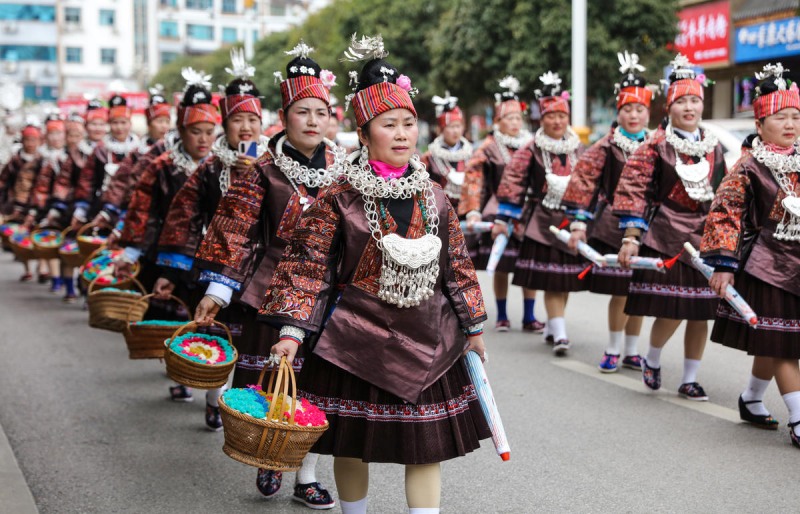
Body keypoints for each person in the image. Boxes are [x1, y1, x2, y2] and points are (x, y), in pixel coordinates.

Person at [260, 34, 490, 514]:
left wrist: (473, 326)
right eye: (389, 124)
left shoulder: (436, 195)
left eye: (409, 123)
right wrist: (290, 331)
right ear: (364, 135)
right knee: (351, 443)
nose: (403, 133)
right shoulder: (337, 198)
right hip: (353, 338)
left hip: (427, 335)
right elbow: (308, 266)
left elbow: (457, 265)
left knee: (426, 446)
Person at [192, 44, 342, 509]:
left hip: (329, 297)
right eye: (303, 112)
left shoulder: (345, 171)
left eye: (321, 112)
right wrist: (219, 291)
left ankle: (307, 478)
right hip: (269, 296)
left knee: (316, 389)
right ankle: (271, 457)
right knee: (276, 383)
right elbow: (236, 232)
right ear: (284, 115)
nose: (313, 121)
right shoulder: (263, 171)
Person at [155, 49, 271, 432]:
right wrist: (174, 267)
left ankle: (257, 420)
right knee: (219, 334)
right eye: (238, 119)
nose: (246, 128)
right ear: (226, 123)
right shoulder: (212, 166)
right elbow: (184, 214)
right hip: (219, 264)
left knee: (260, 348)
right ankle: (212, 396)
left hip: (266, 271)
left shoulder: (276, 163)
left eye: (253, 119)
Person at [612, 54, 726, 401]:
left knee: (701, 314)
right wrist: (631, 237)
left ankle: (690, 378)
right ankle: (653, 358)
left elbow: (723, 195)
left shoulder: (714, 146)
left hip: (705, 238)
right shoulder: (655, 144)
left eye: (694, 100)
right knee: (674, 309)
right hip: (666, 237)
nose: (689, 107)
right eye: (682, 101)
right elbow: (635, 191)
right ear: (670, 105)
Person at [700, 63, 800, 442]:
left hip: (798, 263)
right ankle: (798, 417)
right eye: (779, 117)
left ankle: (751, 398)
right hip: (765, 265)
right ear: (759, 125)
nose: (789, 124)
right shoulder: (748, 166)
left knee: (779, 337)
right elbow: (725, 214)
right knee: (784, 343)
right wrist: (723, 265)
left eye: (795, 116)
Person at [561, 52, 651, 372]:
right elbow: (584, 183)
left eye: (640, 109)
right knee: (622, 291)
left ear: (648, 111)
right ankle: (614, 348)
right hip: (616, 226)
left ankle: (632, 350)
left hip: (651, 227)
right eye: (628, 109)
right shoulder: (605, 146)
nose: (634, 115)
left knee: (640, 291)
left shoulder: (657, 145)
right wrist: (578, 223)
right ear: (619, 111)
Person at [494, 71, 586, 355]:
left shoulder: (578, 149)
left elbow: (586, 184)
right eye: (551, 116)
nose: (557, 121)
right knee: (551, 279)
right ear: (541, 118)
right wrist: (504, 218)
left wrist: (583, 218)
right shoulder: (530, 149)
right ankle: (559, 332)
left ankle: (552, 325)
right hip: (541, 221)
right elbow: (513, 182)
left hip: (570, 220)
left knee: (564, 279)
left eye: (562, 115)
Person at [460, 77, 543, 332]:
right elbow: (473, 178)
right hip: (499, 211)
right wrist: (473, 209)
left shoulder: (533, 145)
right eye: (509, 119)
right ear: (498, 121)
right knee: (503, 266)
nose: (515, 123)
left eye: (518, 118)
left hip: (528, 212)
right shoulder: (489, 147)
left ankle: (529, 316)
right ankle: (503, 314)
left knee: (529, 264)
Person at [92, 86, 173, 231]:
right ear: (148, 123)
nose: (163, 126)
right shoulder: (136, 152)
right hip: (132, 208)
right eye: (158, 121)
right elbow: (122, 182)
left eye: (166, 121)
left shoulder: (176, 151)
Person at [46, 107, 105, 301]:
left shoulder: (112, 151)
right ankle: (70, 288)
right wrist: (59, 207)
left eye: (100, 124)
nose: (97, 128)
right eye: (93, 124)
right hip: (76, 207)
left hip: (103, 208)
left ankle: (92, 291)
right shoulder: (76, 154)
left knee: (98, 253)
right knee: (72, 248)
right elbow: (63, 182)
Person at [69, 95, 140, 230]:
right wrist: (81, 209)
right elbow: (87, 181)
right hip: (101, 209)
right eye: (115, 123)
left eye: (123, 122)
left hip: (131, 210)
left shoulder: (139, 150)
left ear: (130, 124)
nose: (119, 128)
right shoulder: (100, 150)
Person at [0, 119, 43, 281]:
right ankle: (27, 267)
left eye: (34, 139)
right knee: (22, 235)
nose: (30, 143)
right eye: (27, 139)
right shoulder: (15, 161)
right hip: (18, 203)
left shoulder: (44, 159)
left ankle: (42, 264)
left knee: (38, 234)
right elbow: (3, 182)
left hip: (38, 202)